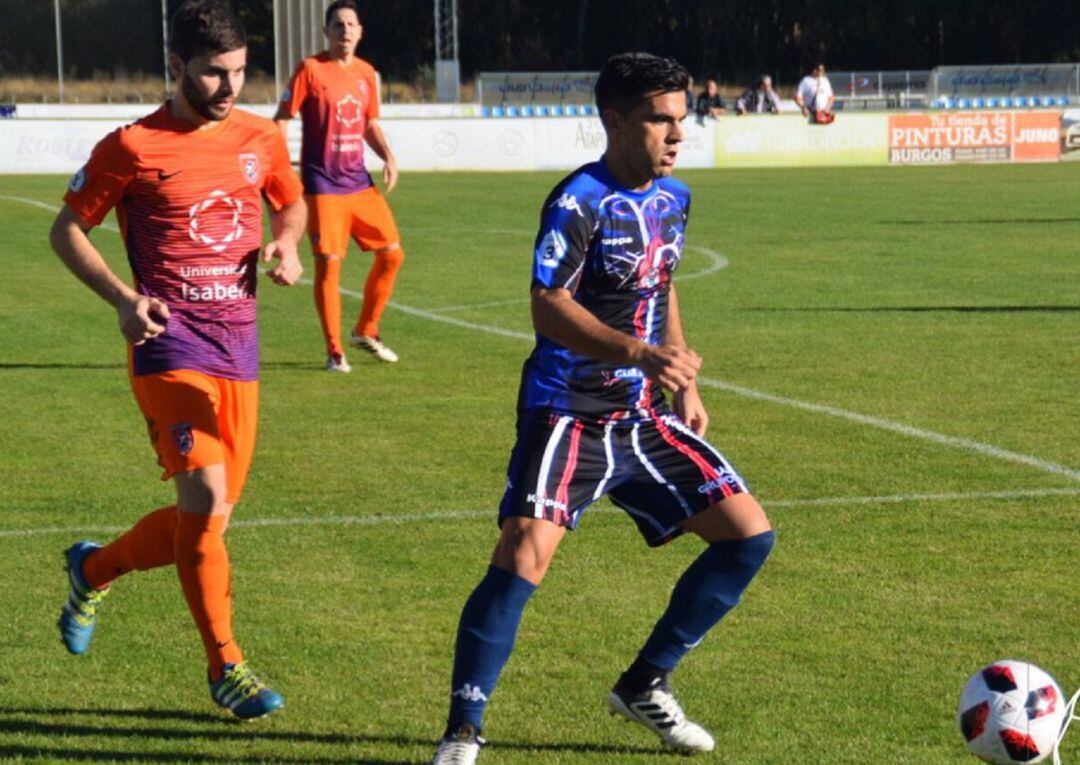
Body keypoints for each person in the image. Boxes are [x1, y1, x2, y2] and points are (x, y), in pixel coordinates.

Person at [430, 52, 775, 765]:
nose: (676, 134)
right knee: (523, 555)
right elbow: (546, 303)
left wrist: (683, 375)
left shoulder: (674, 198)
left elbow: (664, 282)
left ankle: (647, 682)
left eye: (682, 119)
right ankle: (463, 732)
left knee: (748, 536)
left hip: (644, 415)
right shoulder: (577, 201)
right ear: (613, 120)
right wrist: (638, 352)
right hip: (567, 412)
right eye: (659, 119)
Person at [49, 0, 305, 720]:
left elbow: (290, 204)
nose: (230, 88)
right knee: (203, 499)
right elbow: (67, 230)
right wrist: (123, 300)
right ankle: (228, 665)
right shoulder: (131, 147)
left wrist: (285, 243)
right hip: (167, 344)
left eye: (240, 73)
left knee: (210, 519)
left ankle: (93, 567)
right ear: (176, 67)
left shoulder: (261, 136)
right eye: (214, 74)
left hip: (240, 350)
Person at [274, 0, 405, 372]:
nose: (345, 31)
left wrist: (388, 157)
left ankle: (366, 329)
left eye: (351, 24)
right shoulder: (310, 70)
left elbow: (367, 124)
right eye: (338, 25)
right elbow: (282, 118)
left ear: (360, 31)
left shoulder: (366, 73)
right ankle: (335, 351)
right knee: (330, 266)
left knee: (392, 254)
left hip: (359, 183)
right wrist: (278, 163)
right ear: (326, 32)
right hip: (323, 187)